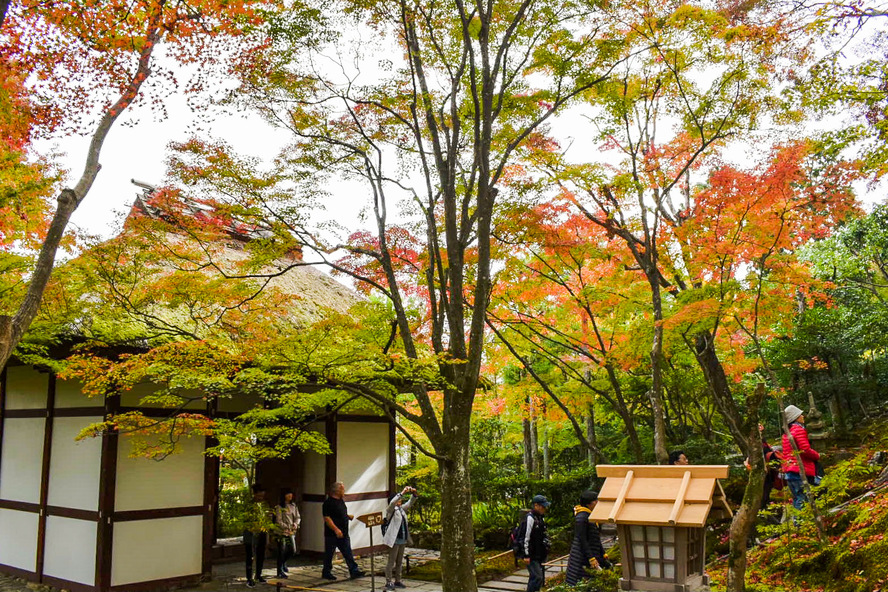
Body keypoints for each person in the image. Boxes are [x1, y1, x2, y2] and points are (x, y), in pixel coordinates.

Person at [565, 490, 611, 586]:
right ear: (588, 503)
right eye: (595, 501)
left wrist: (603, 553)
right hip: (582, 555)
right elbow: (582, 539)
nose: (597, 503)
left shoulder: (590, 515)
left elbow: (596, 538)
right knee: (581, 580)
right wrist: (591, 558)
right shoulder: (582, 517)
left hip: (592, 551)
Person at [321, 481, 365, 581]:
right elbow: (327, 518)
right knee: (329, 554)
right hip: (332, 534)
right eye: (342, 489)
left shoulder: (341, 501)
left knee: (348, 553)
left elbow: (339, 513)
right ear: (337, 491)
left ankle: (354, 571)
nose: (344, 491)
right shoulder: (328, 503)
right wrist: (336, 529)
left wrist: (347, 516)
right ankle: (326, 572)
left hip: (344, 532)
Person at [781, 404, 821, 511]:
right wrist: (817, 455)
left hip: (790, 470)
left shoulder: (786, 433)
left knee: (797, 498)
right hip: (799, 470)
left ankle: (798, 522)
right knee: (803, 498)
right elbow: (805, 450)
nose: (803, 416)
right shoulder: (798, 430)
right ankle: (800, 523)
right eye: (800, 415)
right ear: (796, 418)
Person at [383, 486, 418, 590]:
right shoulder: (390, 510)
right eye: (399, 499)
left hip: (402, 539)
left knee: (399, 561)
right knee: (391, 561)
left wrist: (414, 493)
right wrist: (402, 492)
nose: (400, 500)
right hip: (394, 540)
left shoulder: (401, 510)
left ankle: (398, 580)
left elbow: (410, 503)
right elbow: (392, 503)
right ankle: (388, 581)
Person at [243, 484, 273, 588]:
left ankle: (258, 574)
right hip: (250, 533)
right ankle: (249, 578)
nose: (261, 498)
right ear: (254, 494)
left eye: (262, 496)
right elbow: (245, 519)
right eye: (259, 496)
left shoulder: (265, 504)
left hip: (262, 532)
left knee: (261, 554)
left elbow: (268, 518)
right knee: (250, 556)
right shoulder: (249, 504)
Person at [521, 494, 551, 592]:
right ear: (536, 505)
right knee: (537, 577)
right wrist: (526, 554)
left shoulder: (540, 517)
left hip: (540, 552)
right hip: (531, 553)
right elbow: (525, 537)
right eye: (542, 506)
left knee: (538, 577)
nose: (544, 508)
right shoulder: (530, 518)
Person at [275, 488, 301, 578]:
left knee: (292, 550)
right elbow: (279, 521)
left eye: (291, 494)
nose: (290, 496)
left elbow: (298, 517)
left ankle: (283, 563)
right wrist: (287, 527)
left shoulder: (293, 505)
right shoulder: (280, 507)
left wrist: (296, 524)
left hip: (291, 531)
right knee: (281, 550)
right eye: (288, 494)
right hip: (282, 532)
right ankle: (279, 570)